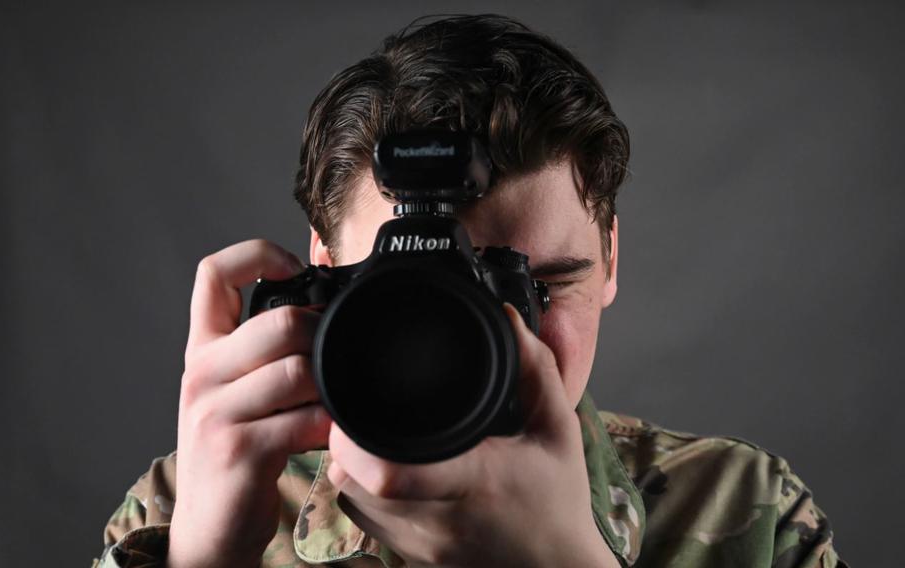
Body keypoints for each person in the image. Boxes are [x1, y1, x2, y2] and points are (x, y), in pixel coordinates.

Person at [93, 14, 846, 568]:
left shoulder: (747, 511)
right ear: (320, 275)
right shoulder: (184, 505)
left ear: (610, 260)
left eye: (543, 284)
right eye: (422, 294)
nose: (498, 338)